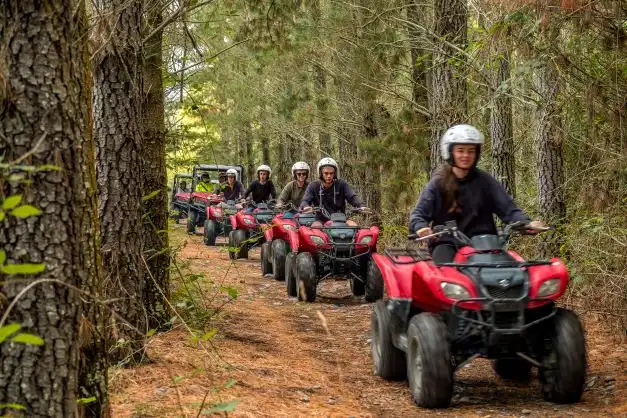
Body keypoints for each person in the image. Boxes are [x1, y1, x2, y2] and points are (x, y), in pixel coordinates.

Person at [409, 124, 544, 264]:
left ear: (477, 153)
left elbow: (508, 209)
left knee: (511, 275)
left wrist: (527, 223)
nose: (466, 155)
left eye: (471, 151)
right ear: (450, 151)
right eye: (460, 150)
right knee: (445, 277)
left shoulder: (486, 181)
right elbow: (419, 212)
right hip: (448, 244)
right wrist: (420, 227)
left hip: (486, 245)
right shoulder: (439, 182)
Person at [299, 157, 368, 226]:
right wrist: (305, 206)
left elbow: (352, 197)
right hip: (321, 219)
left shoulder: (341, 184)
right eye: (326, 173)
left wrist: (361, 206)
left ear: (334, 174)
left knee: (354, 226)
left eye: (331, 173)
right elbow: (305, 200)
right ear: (320, 173)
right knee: (315, 228)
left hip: (341, 218)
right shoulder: (313, 186)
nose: (329, 176)